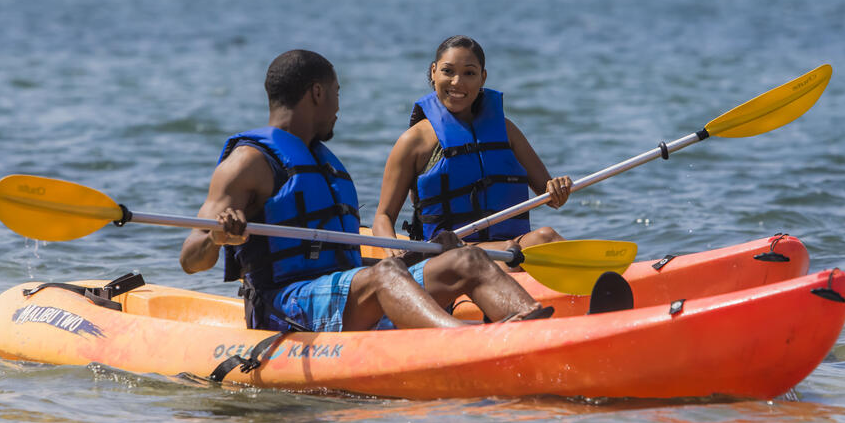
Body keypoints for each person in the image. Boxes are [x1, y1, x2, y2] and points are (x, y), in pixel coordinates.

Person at [178, 49, 550, 332]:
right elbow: (190, 260)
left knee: (468, 259)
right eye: (337, 94)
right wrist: (216, 237)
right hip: (287, 305)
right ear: (318, 93)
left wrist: (418, 258)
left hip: (347, 293)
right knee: (384, 275)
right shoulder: (248, 163)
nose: (339, 107)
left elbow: (349, 267)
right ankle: (465, 342)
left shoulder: (324, 163)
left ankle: (537, 332)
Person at [372, 35, 573, 263]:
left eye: (469, 73)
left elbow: (553, 199)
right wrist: (391, 249)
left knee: (546, 236)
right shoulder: (414, 141)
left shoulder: (506, 131)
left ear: (482, 77)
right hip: (448, 254)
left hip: (510, 247)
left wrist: (558, 188)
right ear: (433, 72)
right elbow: (383, 216)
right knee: (504, 252)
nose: (457, 82)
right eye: (448, 71)